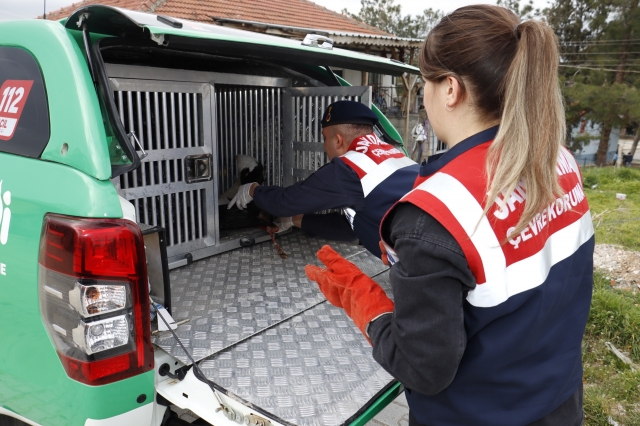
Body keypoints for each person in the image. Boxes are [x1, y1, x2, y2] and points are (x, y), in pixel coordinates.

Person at [305, 5, 593, 426]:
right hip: (560, 404)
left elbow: (424, 370)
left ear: (451, 90)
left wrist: (365, 305)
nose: (424, 95)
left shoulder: (435, 213)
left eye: (425, 82)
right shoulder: (557, 163)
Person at [227, 100, 419, 257]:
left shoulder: (349, 167)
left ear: (338, 140)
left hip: (421, 264)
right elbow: (353, 227)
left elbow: (285, 202)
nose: (324, 146)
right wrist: (295, 220)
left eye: (324, 138)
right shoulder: (395, 154)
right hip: (430, 251)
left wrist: (252, 189)